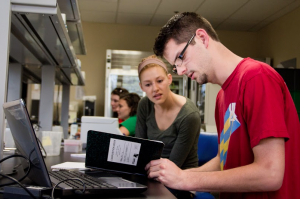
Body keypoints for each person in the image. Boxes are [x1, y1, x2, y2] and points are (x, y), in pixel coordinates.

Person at [146, 12, 300, 199]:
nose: (180, 70)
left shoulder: (256, 78)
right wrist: (173, 175)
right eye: (174, 66)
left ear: (202, 38)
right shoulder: (222, 97)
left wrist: (186, 179)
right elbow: (224, 160)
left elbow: (270, 174)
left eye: (181, 56)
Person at [136, 55, 201, 171]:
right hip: (151, 173)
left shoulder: (189, 115)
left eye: (160, 81)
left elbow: (173, 166)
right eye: (148, 84)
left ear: (169, 79)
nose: (155, 88)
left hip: (182, 178)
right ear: (141, 87)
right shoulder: (144, 105)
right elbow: (140, 148)